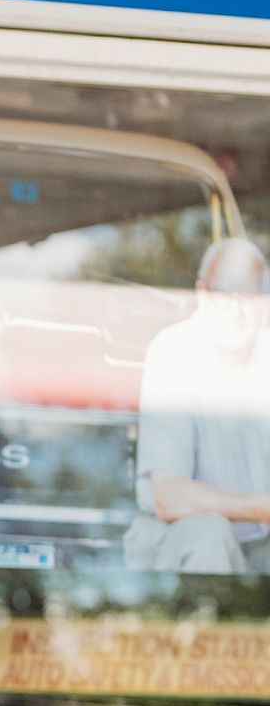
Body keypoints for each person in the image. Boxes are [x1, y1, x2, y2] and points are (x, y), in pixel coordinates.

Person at [126, 235, 270, 573]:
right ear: (203, 294)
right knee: (210, 533)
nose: (236, 310)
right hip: (182, 545)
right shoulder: (175, 351)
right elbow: (169, 498)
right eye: (223, 295)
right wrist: (263, 508)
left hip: (260, 549)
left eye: (248, 295)